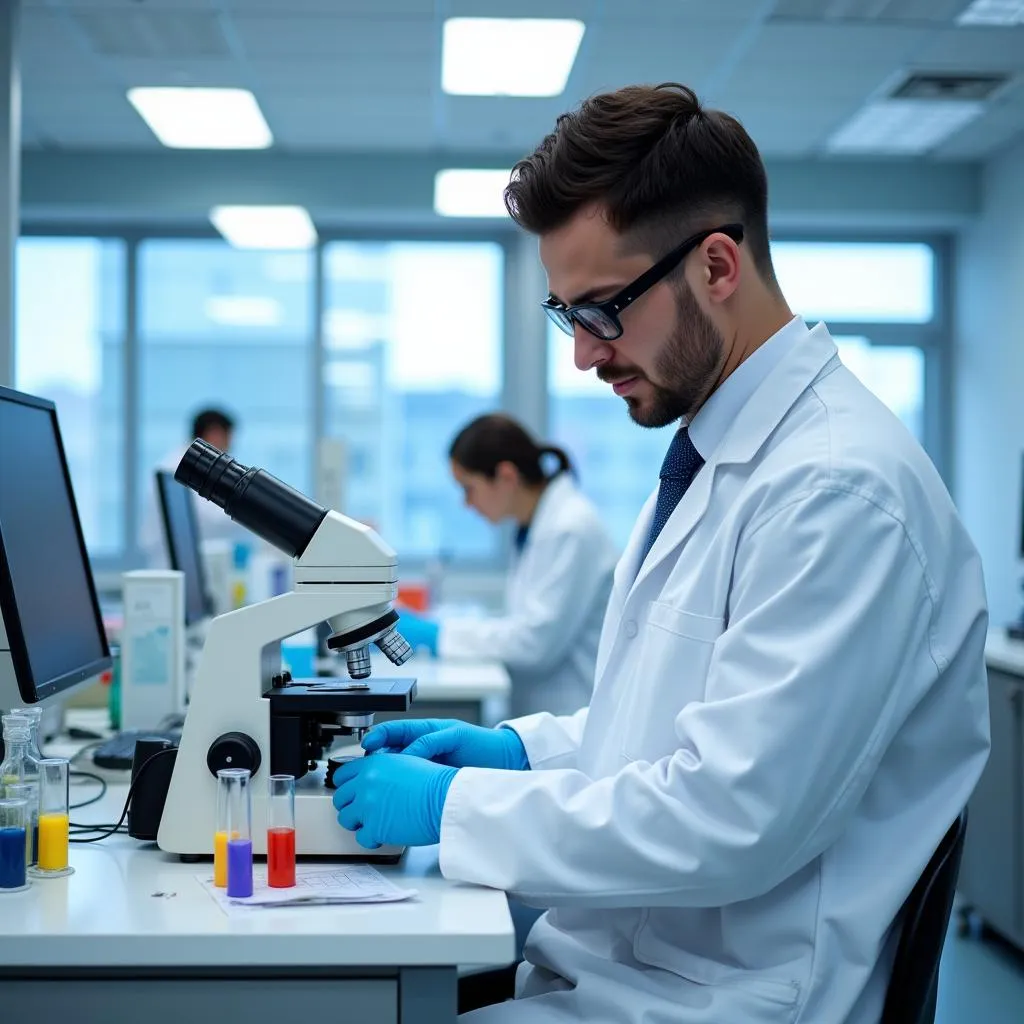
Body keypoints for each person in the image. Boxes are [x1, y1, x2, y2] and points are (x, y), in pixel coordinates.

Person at [331, 84, 991, 1024]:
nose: (584, 358)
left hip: (713, 1001)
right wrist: (519, 750)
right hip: (627, 968)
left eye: (602, 310)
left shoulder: (839, 492)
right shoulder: (716, 457)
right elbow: (671, 726)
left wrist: (456, 808)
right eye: (569, 316)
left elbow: (728, 817)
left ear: (717, 264)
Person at [398, 413, 617, 718]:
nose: (466, 504)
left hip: (571, 717)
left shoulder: (570, 528)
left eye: (468, 488)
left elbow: (533, 644)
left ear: (506, 477)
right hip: (544, 713)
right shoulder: (535, 525)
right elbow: (526, 621)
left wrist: (438, 636)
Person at [140, 407, 245, 565]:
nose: (229, 449)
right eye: (228, 440)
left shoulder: (185, 462)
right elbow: (211, 517)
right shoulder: (182, 466)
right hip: (168, 562)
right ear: (214, 434)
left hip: (177, 560)